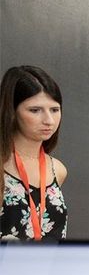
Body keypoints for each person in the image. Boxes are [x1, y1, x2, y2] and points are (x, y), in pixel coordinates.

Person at [1, 66, 68, 241]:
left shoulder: (57, 169)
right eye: (35, 110)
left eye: (55, 109)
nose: (49, 120)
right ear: (12, 111)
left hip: (52, 267)